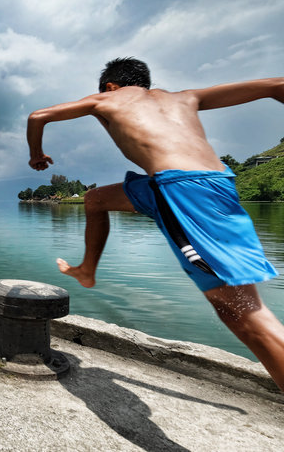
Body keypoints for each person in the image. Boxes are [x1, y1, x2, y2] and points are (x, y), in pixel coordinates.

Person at [26, 57, 284, 391]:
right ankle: (87, 269)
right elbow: (275, 85)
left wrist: (36, 154)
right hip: (182, 184)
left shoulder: (106, 98)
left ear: (110, 85)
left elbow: (37, 116)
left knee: (243, 313)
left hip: (185, 191)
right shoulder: (185, 96)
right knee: (95, 200)